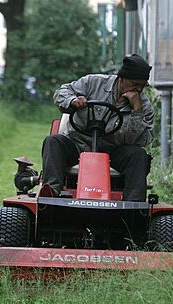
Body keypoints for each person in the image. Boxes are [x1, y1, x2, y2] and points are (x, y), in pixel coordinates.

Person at [41, 54, 154, 202]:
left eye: (142, 86)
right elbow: (61, 93)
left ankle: (134, 204)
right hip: (78, 144)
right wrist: (73, 100)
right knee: (53, 141)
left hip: (113, 150)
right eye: (134, 84)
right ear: (121, 78)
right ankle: (52, 192)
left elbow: (139, 140)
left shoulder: (143, 106)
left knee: (138, 154)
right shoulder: (93, 83)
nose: (138, 90)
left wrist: (136, 112)